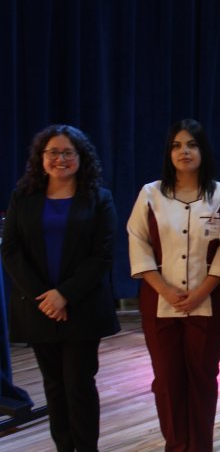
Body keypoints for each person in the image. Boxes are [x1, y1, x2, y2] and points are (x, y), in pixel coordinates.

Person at [1, 124, 120, 451]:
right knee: (53, 386)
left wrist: (64, 294)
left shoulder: (99, 199)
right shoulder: (22, 197)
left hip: (82, 307)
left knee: (79, 384)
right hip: (39, 307)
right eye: (53, 152)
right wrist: (45, 297)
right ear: (41, 158)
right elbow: (10, 250)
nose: (60, 159)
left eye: (68, 152)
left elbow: (102, 255)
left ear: (81, 158)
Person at [127, 119, 220, 452]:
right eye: (176, 145)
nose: (184, 151)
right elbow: (138, 242)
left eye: (191, 145)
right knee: (167, 381)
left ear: (203, 150)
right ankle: (176, 445)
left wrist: (201, 291)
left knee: (202, 378)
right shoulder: (151, 194)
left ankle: (200, 446)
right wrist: (164, 289)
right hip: (160, 303)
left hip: (208, 304)